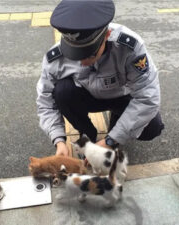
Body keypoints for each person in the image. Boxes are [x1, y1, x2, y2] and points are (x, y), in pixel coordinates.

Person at [36, 0, 164, 156]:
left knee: (152, 127)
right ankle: (87, 134)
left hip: (122, 96)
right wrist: (59, 140)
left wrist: (111, 140)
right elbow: (45, 102)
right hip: (87, 96)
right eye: (75, 55)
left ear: (107, 35)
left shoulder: (129, 48)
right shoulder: (55, 57)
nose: (82, 62)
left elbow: (147, 98)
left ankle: (116, 123)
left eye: (89, 54)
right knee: (62, 92)